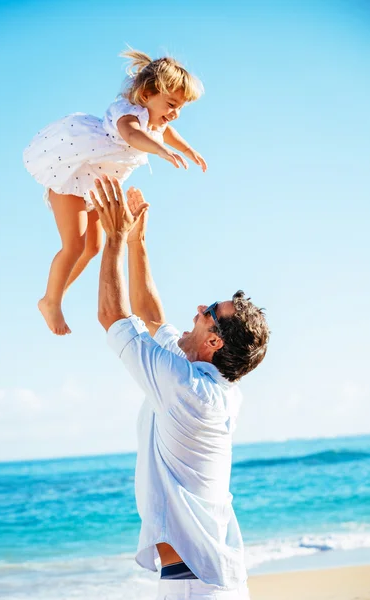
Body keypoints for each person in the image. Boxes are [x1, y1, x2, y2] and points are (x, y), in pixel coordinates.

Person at [91, 176, 270, 599]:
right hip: (202, 582)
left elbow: (112, 315)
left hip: (198, 589)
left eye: (208, 312)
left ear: (214, 341)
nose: (197, 309)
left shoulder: (186, 387)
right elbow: (151, 316)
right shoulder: (206, 380)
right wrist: (138, 241)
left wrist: (114, 237)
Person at [23, 48, 206, 336]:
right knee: (74, 245)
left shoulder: (153, 120)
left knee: (93, 247)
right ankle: (51, 301)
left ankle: (53, 297)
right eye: (171, 104)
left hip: (95, 186)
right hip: (73, 175)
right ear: (146, 95)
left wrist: (187, 149)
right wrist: (161, 151)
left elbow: (166, 132)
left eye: (180, 108)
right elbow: (134, 135)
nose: (175, 114)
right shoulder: (128, 115)